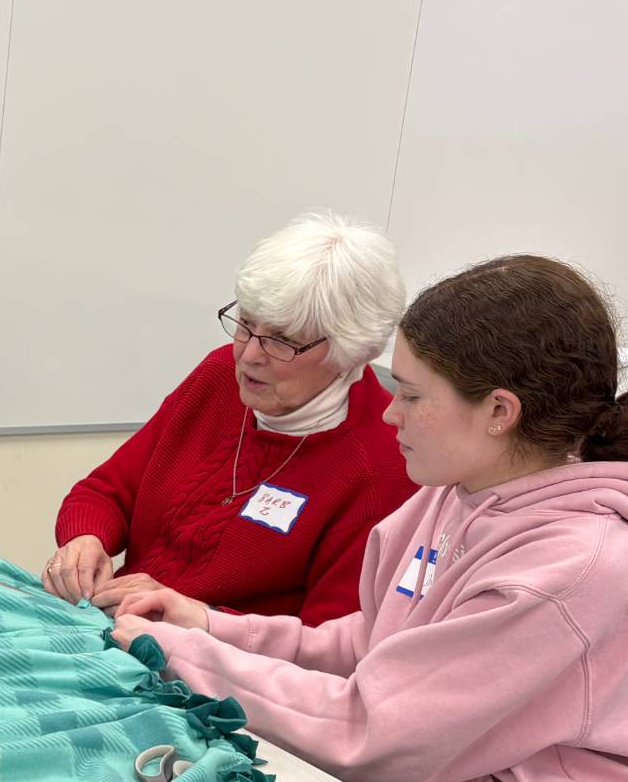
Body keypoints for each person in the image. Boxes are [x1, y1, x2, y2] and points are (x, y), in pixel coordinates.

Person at [112, 256, 628, 782]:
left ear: (500, 412)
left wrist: (186, 659)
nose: (388, 413)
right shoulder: (456, 492)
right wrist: (207, 624)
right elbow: (379, 643)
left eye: (411, 395)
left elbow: (375, 724)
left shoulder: (574, 566)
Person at [45, 212, 415, 625]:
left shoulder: (382, 469)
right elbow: (105, 491)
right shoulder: (220, 376)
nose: (249, 355)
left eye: (282, 340)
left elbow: (328, 647)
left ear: (352, 351)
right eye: (246, 324)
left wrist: (198, 616)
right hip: (117, 629)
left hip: (214, 676)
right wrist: (86, 539)